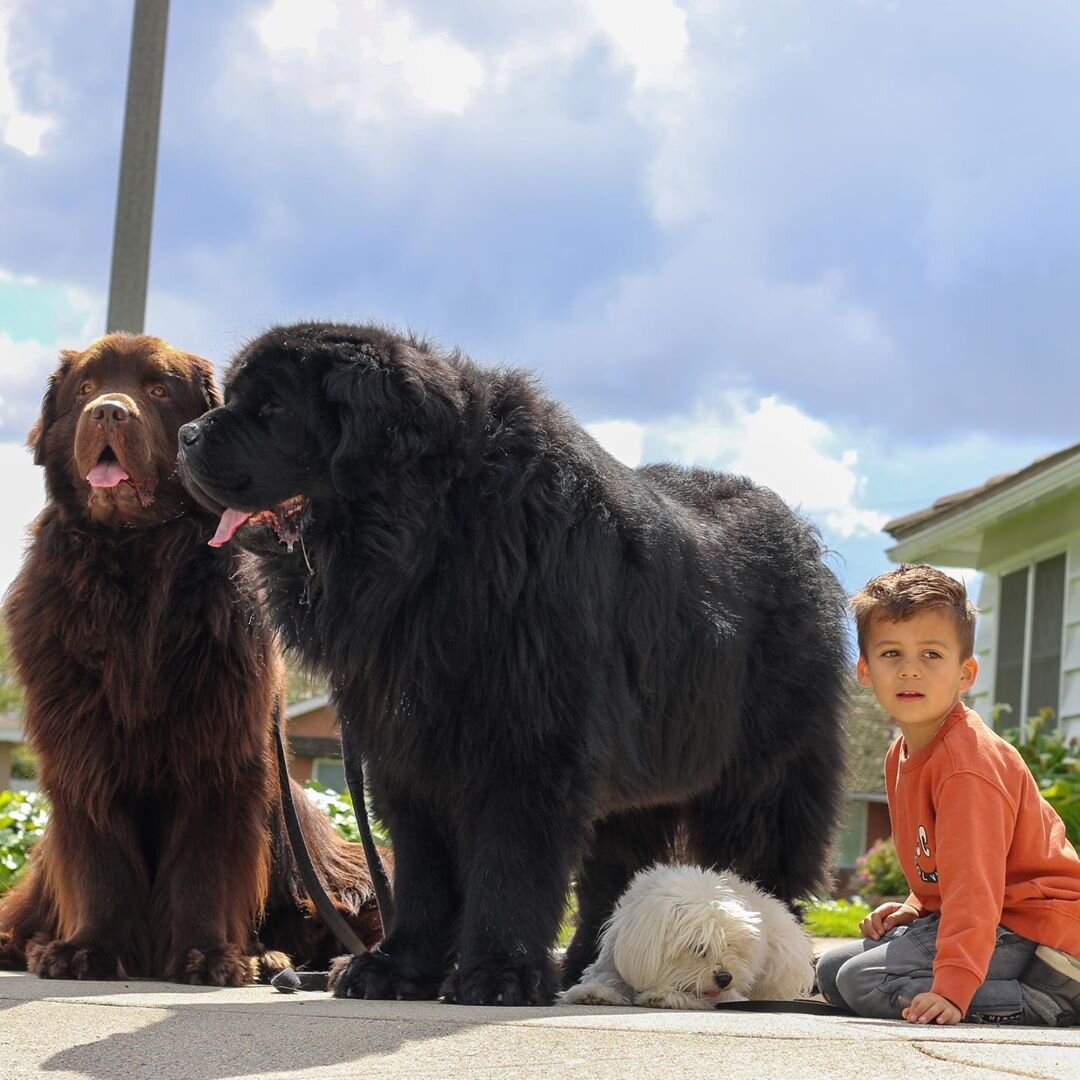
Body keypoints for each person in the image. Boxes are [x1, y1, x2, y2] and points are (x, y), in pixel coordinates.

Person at [816, 564, 1080, 1026]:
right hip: (994, 918)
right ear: (864, 669)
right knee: (832, 972)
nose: (910, 669)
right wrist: (914, 906)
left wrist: (954, 989)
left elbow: (975, 889)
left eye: (932, 654)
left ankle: (1049, 997)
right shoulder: (902, 752)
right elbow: (943, 865)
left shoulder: (967, 766)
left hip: (1038, 931)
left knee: (865, 982)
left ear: (966, 672)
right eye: (891, 653)